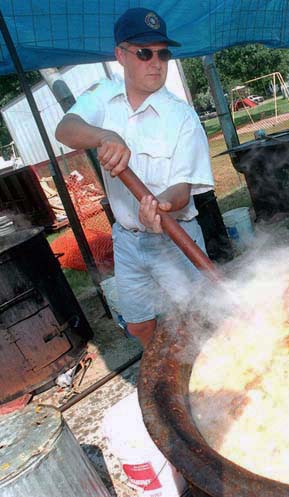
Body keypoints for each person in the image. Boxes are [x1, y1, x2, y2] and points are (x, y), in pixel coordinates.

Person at [55, 8, 214, 347]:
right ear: (120, 55)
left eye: (163, 53)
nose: (156, 62)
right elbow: (65, 130)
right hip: (127, 239)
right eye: (144, 53)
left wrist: (163, 205)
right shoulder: (102, 95)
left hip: (175, 235)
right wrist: (104, 135)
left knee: (198, 319)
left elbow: (183, 189)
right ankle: (164, 376)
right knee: (139, 323)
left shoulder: (182, 117)